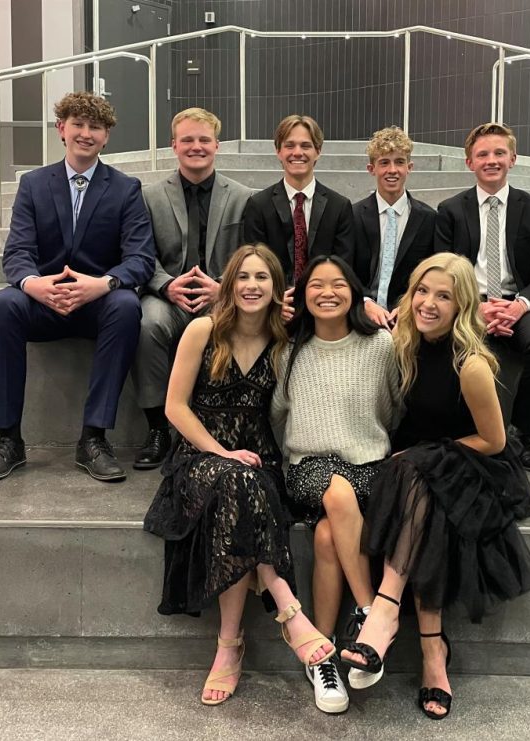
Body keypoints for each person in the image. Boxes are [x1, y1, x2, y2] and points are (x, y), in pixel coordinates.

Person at [339, 253, 530, 720]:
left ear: (462, 305)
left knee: (420, 476)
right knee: (420, 492)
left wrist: (425, 456)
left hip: (474, 462)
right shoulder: (404, 344)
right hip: (417, 468)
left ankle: (384, 613)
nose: (428, 303)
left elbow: (493, 440)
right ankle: (434, 654)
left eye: (443, 296)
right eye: (421, 291)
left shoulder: (469, 363)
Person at [143, 244, 335, 706]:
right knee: (234, 481)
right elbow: (175, 407)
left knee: (242, 487)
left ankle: (229, 646)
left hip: (259, 461)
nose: (252, 285)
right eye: (243, 277)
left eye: (262, 278)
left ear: (276, 289)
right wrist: (220, 450)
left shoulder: (282, 340)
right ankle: (287, 608)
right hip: (199, 456)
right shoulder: (202, 330)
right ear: (230, 284)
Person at [0, 91, 155, 483]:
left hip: (96, 305)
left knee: (126, 306)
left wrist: (102, 284)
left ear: (106, 136)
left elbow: (140, 258)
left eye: (96, 127)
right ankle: (8, 439)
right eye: (78, 124)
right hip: (43, 301)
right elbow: (17, 251)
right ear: (61, 129)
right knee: (2, 306)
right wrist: (33, 284)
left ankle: (93, 438)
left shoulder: (126, 189)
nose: (86, 133)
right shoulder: (34, 184)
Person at [271, 255, 400, 714]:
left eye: (338, 284)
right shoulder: (288, 350)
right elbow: (278, 415)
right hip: (307, 467)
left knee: (328, 534)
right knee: (337, 491)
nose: (327, 292)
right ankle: (370, 616)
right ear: (303, 295)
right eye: (316, 285)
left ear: (355, 291)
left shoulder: (381, 346)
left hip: (369, 465)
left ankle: (322, 656)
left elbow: (390, 409)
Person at [436, 122, 530, 473]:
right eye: (483, 154)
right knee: (442, 345)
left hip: (517, 302)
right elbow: (443, 271)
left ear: (513, 158)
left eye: (499, 153)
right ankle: (464, 434)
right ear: (469, 163)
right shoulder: (450, 210)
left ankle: (520, 434)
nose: (491, 160)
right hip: (467, 304)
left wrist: (519, 306)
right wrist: (477, 308)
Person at [132, 108, 252, 470]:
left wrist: (224, 289)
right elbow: (139, 252)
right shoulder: (149, 196)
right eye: (187, 139)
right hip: (167, 296)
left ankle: (220, 427)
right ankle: (157, 429)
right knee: (146, 325)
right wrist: (166, 285)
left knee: (238, 326)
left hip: (221, 296)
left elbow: (251, 256)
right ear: (174, 145)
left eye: (203, 140)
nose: (195, 146)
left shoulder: (244, 197)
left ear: (217, 145)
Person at [243, 115, 355, 287]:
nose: (297, 152)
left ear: (318, 151)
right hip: (274, 303)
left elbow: (343, 268)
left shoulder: (339, 207)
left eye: (305, 146)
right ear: (278, 152)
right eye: (289, 145)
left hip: (322, 301)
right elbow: (254, 264)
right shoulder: (258, 205)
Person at [353, 126, 436, 329]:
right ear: (371, 169)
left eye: (399, 162)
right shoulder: (352, 215)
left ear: (410, 167)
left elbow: (433, 272)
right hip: (361, 310)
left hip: (409, 313)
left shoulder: (429, 219)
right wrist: (364, 303)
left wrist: (409, 306)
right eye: (384, 163)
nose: (392, 170)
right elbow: (344, 269)